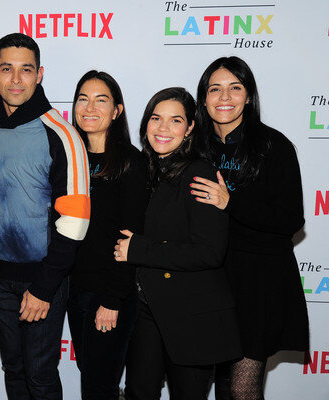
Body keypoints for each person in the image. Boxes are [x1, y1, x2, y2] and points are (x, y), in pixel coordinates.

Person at [0, 33, 90, 400]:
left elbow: (74, 222)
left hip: (42, 281)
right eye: (6, 69)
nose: (15, 79)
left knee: (40, 375)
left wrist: (43, 288)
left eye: (25, 70)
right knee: (14, 369)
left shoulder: (63, 135)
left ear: (39, 74)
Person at [190, 56, 309, 400]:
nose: (224, 97)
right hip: (207, 282)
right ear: (204, 98)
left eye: (235, 88)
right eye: (215, 89)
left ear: (249, 96)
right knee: (197, 385)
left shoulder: (274, 146)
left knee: (241, 389)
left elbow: (291, 220)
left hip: (258, 284)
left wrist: (231, 202)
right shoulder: (194, 146)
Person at [114, 87, 241, 400]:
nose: (163, 128)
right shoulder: (144, 170)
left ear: (190, 128)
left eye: (175, 121)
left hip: (191, 315)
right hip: (147, 309)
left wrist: (139, 250)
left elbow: (209, 251)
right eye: (156, 118)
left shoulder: (200, 174)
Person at [66, 70, 148, 399]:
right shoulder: (70, 159)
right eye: (83, 99)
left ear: (117, 111)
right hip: (76, 290)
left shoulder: (131, 163)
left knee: (99, 387)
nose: (90, 107)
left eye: (101, 100)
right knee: (94, 378)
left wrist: (112, 299)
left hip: (111, 295)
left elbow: (132, 236)